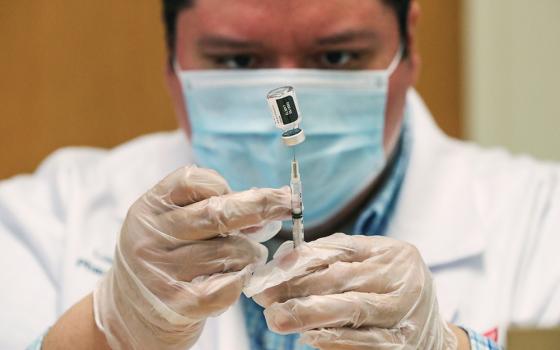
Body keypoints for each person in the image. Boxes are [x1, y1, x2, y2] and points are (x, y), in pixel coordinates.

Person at [1, 0, 558, 349]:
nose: (288, 98)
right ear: (171, 59)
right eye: (238, 62)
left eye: (337, 58)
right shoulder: (39, 222)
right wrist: (105, 332)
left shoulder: (541, 224)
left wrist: (450, 348)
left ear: (409, 46)